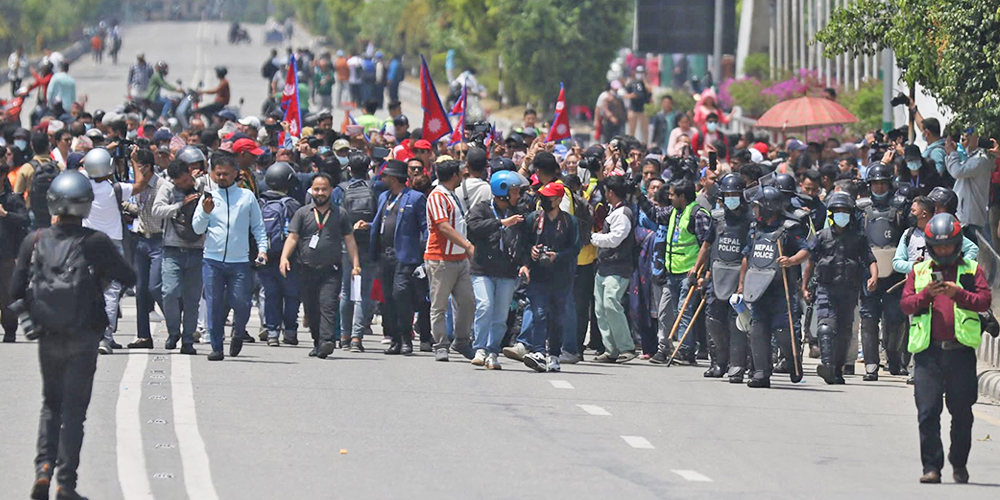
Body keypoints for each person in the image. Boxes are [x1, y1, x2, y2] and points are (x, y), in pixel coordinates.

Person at [11, 170, 136, 500]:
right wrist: (101, 279)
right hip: (84, 335)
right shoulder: (95, 242)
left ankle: (43, 469)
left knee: (50, 405)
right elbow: (128, 276)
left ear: (52, 203)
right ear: (86, 205)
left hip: (49, 334)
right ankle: (66, 483)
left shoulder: (35, 240)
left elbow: (15, 290)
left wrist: (31, 318)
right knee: (74, 413)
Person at [899, 213, 991, 484]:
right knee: (927, 412)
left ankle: (958, 462)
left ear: (957, 244)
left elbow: (984, 301)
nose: (943, 251)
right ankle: (931, 467)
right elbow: (905, 304)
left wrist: (958, 294)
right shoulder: (919, 271)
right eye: (938, 247)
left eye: (948, 246)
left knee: (961, 412)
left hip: (960, 353)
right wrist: (926, 295)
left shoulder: (971, 270)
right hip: (927, 354)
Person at [192, 152, 268, 361]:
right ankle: (217, 347)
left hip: (240, 261)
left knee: (242, 303)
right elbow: (197, 228)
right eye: (218, 174)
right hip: (212, 261)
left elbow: (258, 227)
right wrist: (205, 212)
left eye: (226, 174)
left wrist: (262, 249)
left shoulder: (246, 197)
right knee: (214, 305)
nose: (222, 177)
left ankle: (238, 332)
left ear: (235, 173)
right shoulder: (208, 198)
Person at [280, 173, 360, 358]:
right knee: (311, 309)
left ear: (331, 190)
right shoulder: (302, 213)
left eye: (324, 189)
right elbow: (293, 237)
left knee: (327, 305)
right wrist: (284, 258)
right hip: (306, 269)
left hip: (331, 270)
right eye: (317, 189)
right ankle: (318, 341)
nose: (320, 193)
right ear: (311, 191)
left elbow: (349, 240)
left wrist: (356, 264)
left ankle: (327, 341)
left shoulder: (340, 213)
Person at [737, 186, 809, 388]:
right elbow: (747, 256)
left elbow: (805, 250)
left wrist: (791, 260)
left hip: (780, 289)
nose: (754, 210)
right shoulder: (755, 229)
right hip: (758, 288)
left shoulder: (789, 228)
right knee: (758, 329)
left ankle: (793, 363)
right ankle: (761, 373)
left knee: (783, 330)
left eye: (757, 206)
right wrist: (742, 284)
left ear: (768, 207)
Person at [803, 192, 878, 384]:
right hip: (826, 289)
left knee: (844, 331)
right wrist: (804, 286)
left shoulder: (858, 238)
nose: (841, 215)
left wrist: (874, 277)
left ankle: (837, 370)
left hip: (849, 290)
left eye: (844, 211)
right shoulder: (821, 236)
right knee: (826, 326)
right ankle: (827, 366)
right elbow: (810, 262)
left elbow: (870, 259)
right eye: (837, 211)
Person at [82, 147, 151, 355]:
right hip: (112, 245)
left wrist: (105, 150)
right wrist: (134, 160)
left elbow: (83, 164)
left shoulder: (82, 186)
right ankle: (105, 337)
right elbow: (141, 184)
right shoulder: (116, 189)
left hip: (87, 243)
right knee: (111, 291)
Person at [640, 179, 713, 365]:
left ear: (682, 196)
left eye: (672, 195)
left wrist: (700, 271)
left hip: (689, 273)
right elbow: (654, 214)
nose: (669, 197)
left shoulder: (698, 215)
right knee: (669, 311)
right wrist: (638, 195)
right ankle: (667, 348)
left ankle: (686, 351)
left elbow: (706, 245)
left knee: (684, 311)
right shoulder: (674, 211)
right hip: (672, 272)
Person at [467, 170, 528, 370]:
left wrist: (524, 263)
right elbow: (473, 227)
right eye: (514, 191)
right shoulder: (482, 208)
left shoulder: (518, 212)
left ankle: (493, 351)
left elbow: (525, 240)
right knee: (484, 306)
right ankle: (480, 348)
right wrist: (500, 223)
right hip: (482, 269)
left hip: (507, 271)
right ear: (502, 192)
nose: (518, 196)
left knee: (501, 315)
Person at [516, 181, 580, 372]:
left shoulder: (569, 222)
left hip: (561, 276)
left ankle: (554, 355)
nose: (543, 200)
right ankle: (538, 352)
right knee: (539, 313)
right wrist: (530, 255)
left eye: (548, 197)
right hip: (538, 275)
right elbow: (523, 243)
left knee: (558, 317)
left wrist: (557, 256)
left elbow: (575, 248)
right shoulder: (534, 218)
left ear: (558, 200)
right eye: (542, 197)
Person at [370, 160, 427, 355]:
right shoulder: (384, 197)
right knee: (387, 298)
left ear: (394, 178)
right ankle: (394, 338)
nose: (382, 179)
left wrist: (424, 253)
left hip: (405, 256)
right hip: (384, 255)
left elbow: (425, 227)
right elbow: (380, 222)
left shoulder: (416, 198)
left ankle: (405, 338)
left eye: (386, 176)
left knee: (400, 294)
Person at [858, 162, 908, 380]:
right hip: (868, 272)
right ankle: (871, 364)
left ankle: (895, 360)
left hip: (895, 273)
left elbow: (909, 236)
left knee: (895, 317)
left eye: (883, 183)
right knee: (869, 318)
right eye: (875, 184)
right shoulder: (860, 210)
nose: (879, 187)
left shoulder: (901, 208)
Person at [425, 160, 476, 361]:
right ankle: (440, 344)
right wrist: (467, 245)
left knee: (467, 302)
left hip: (460, 259)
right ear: (454, 176)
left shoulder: (452, 195)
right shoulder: (437, 196)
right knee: (439, 305)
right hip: (440, 259)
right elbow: (443, 227)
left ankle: (462, 340)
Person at [702, 174, 752, 381]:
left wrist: (743, 283)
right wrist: (698, 270)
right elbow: (706, 245)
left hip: (740, 277)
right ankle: (718, 362)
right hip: (717, 275)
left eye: (735, 195)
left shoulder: (750, 220)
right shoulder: (717, 218)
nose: (731, 199)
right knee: (713, 320)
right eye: (727, 195)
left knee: (736, 322)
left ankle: (737, 364)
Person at [151, 160, 204, 354]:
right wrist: (180, 204)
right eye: (180, 183)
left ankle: (188, 339)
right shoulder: (167, 188)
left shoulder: (202, 185)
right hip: (172, 249)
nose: (185, 184)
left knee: (192, 299)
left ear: (190, 172)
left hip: (197, 250)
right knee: (170, 292)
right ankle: (173, 331)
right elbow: (156, 211)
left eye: (186, 180)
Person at [332, 153, 378, 351]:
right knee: (363, 292)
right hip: (368, 243)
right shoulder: (375, 188)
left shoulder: (340, 190)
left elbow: (334, 217)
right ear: (368, 169)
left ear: (349, 169)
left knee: (345, 291)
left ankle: (344, 335)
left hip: (345, 243)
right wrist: (368, 225)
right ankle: (357, 337)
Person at [590, 175, 637, 363]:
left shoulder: (622, 213)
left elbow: (615, 239)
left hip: (618, 267)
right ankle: (611, 349)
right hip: (604, 267)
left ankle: (626, 347)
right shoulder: (613, 211)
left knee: (611, 303)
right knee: (601, 309)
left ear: (610, 193)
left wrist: (593, 238)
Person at [257, 162, 302, 346]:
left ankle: (272, 332)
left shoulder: (260, 203)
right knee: (291, 296)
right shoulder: (292, 204)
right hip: (289, 259)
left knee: (271, 295)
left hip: (265, 257)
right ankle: (290, 331)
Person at [125, 148, 164, 349]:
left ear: (147, 167)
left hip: (159, 241)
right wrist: (124, 205)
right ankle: (144, 336)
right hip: (141, 240)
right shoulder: (138, 188)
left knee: (155, 287)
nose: (135, 171)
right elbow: (140, 210)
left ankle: (177, 323)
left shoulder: (162, 186)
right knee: (140, 289)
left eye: (137, 166)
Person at [945, 131, 992, 242]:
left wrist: (953, 153)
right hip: (964, 216)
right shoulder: (969, 157)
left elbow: (957, 171)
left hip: (971, 218)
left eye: (967, 138)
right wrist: (950, 153)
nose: (963, 142)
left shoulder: (980, 159)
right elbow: (953, 169)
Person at [0, 157, 28, 343]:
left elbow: (24, 219)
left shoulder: (13, 199)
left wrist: (6, 215)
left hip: (6, 255)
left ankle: (10, 330)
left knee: (7, 295)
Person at [624, 66, 651, 142]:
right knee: (632, 130)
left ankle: (645, 144)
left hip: (643, 110)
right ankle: (631, 144)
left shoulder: (645, 84)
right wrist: (632, 96)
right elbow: (625, 94)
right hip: (633, 109)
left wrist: (644, 81)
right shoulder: (632, 83)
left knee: (645, 130)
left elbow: (649, 91)